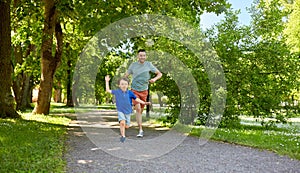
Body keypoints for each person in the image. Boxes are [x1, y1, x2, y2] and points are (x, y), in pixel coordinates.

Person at [124, 49, 162, 137]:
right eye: (140, 55)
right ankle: (140, 130)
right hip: (134, 90)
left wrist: (154, 79)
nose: (142, 57)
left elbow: (159, 74)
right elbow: (126, 75)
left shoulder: (149, 64)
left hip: (144, 90)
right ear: (138, 56)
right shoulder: (133, 65)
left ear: (145, 56)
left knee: (140, 111)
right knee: (137, 109)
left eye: (144, 55)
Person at [105, 75, 151, 143]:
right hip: (120, 110)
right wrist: (107, 81)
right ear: (119, 85)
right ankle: (123, 136)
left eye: (125, 84)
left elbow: (137, 99)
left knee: (127, 126)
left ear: (128, 85)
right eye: (122, 84)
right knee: (122, 122)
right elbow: (108, 90)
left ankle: (126, 125)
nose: (124, 85)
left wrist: (144, 102)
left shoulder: (130, 93)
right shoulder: (117, 92)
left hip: (128, 112)